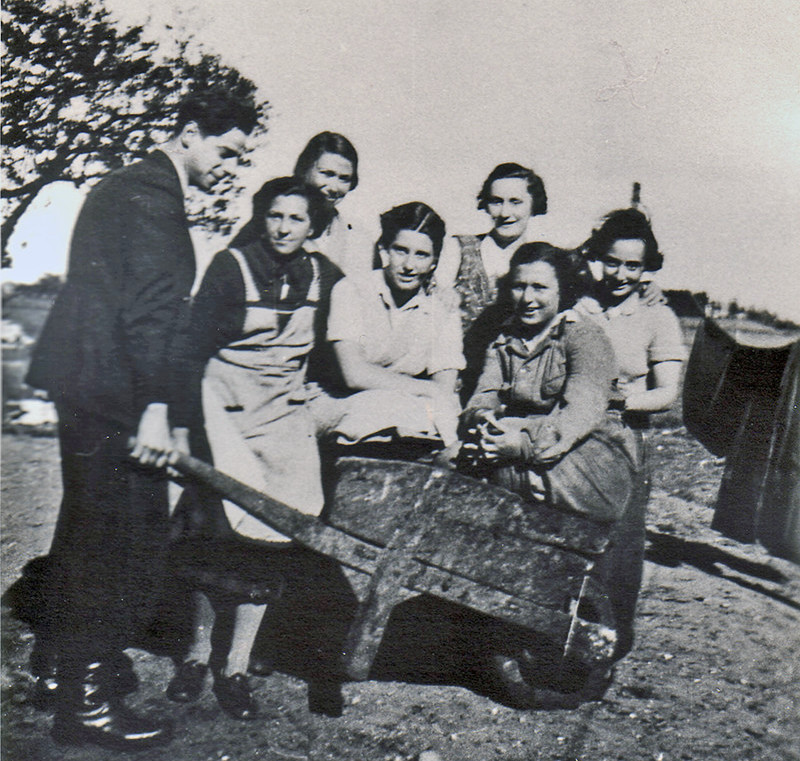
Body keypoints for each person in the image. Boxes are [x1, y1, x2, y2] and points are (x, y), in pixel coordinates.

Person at [23, 88, 258, 750]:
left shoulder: (128, 187)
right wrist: (156, 409)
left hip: (92, 388)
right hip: (115, 396)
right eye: (224, 149)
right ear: (188, 132)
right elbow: (151, 314)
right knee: (121, 540)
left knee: (87, 532)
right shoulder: (153, 197)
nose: (228, 165)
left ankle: (57, 672)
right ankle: (88, 705)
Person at [166, 177, 341, 720]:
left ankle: (236, 663)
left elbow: (338, 349)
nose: (285, 228)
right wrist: (183, 426)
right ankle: (196, 654)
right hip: (220, 406)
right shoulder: (230, 266)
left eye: (297, 219)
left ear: (314, 226)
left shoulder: (326, 277)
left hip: (279, 411)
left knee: (281, 525)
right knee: (217, 531)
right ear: (261, 217)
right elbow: (189, 353)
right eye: (276, 216)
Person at [460, 243, 645, 691]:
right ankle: (504, 628)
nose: (528, 298)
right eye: (519, 286)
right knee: (471, 478)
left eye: (540, 287)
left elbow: (578, 415)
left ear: (562, 292)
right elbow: (480, 400)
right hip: (527, 448)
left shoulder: (584, 337)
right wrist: (486, 427)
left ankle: (577, 648)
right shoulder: (503, 341)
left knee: (565, 536)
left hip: (589, 458)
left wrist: (516, 442)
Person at [312, 202, 465, 453]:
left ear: (434, 262)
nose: (409, 265)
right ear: (383, 250)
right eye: (400, 250)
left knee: (434, 423)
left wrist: (431, 396)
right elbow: (354, 374)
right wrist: (425, 389)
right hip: (337, 402)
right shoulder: (352, 290)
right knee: (391, 410)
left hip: (403, 409)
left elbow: (445, 388)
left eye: (421, 255)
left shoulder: (441, 310)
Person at [575, 208, 685, 422]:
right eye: (612, 263)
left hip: (623, 429)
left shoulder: (659, 317)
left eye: (632, 266)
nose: (620, 275)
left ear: (646, 266)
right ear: (599, 257)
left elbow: (667, 393)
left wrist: (621, 401)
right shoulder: (577, 307)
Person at [433, 162, 549, 331]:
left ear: (533, 205)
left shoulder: (540, 258)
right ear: (486, 204)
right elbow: (436, 300)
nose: (504, 213)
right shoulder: (459, 248)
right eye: (496, 202)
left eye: (515, 202)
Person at [294, 131, 373, 277]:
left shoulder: (357, 242)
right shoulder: (271, 223)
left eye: (344, 178)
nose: (334, 188)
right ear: (305, 169)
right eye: (327, 174)